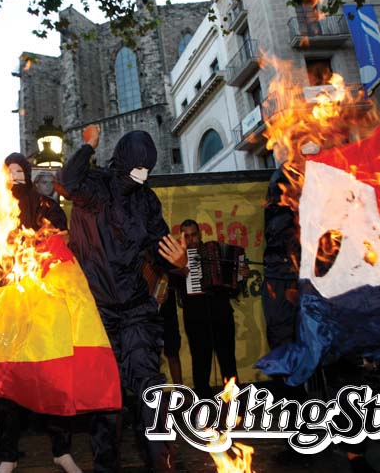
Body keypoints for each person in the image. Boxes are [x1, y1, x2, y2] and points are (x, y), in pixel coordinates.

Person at [0, 103, 79, 473]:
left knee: (51, 375)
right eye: (9, 172)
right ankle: (7, 456)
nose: (15, 177)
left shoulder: (45, 205)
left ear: (29, 173)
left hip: (41, 300)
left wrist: (52, 239)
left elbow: (65, 237)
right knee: (6, 380)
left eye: (20, 171)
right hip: (4, 299)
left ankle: (62, 450)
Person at [58, 124, 188, 473]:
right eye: (137, 165)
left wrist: (178, 264)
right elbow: (67, 181)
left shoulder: (147, 200)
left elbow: (161, 248)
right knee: (105, 397)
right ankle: (105, 467)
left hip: (136, 308)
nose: (142, 173)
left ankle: (163, 463)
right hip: (97, 312)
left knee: (150, 388)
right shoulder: (95, 186)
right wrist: (88, 146)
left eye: (148, 168)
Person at [174, 219, 244, 398]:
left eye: (193, 235)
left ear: (200, 234)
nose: (191, 240)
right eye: (186, 236)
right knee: (200, 363)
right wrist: (181, 270)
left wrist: (241, 275)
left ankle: (233, 400)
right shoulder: (177, 258)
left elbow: (234, 284)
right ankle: (203, 402)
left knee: (228, 361)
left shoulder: (213, 251)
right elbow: (172, 282)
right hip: (195, 317)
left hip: (221, 312)